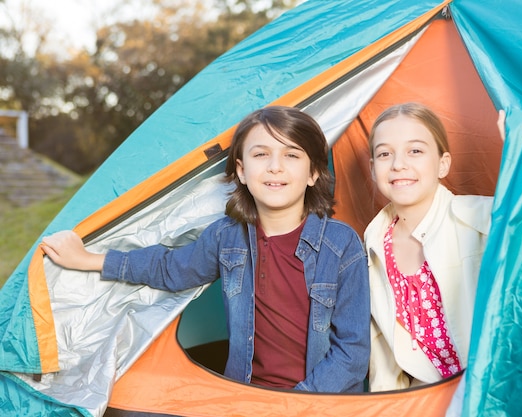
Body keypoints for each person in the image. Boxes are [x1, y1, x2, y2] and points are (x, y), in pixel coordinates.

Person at [42, 105, 370, 393]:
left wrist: (296, 405)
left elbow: (352, 354)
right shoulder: (227, 238)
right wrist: (90, 260)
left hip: (320, 402)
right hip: (244, 395)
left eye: (291, 155)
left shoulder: (341, 245)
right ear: (241, 170)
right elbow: (169, 269)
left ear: (313, 172)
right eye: (260, 154)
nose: (275, 166)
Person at [364, 102, 496, 391]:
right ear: (373, 169)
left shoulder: (485, 217)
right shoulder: (373, 245)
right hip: (426, 400)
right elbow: (384, 354)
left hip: (493, 391)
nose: (398, 164)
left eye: (415, 151)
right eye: (385, 153)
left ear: (443, 163)